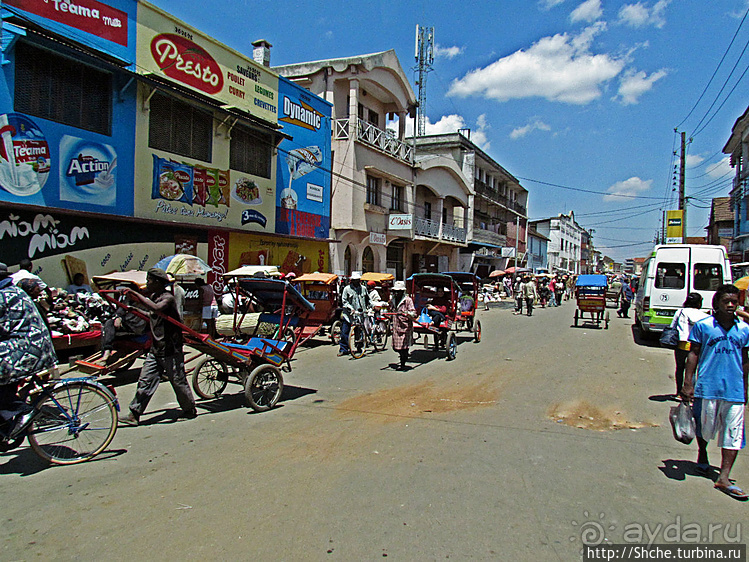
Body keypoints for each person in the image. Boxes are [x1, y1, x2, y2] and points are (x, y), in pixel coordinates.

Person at [682, 284, 749, 500]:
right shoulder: (704, 326)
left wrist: (745, 386)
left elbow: (746, 360)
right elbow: (693, 354)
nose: (730, 305)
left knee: (733, 434)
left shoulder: (745, 330)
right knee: (705, 428)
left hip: (735, 390)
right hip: (707, 387)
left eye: (734, 302)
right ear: (716, 304)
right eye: (726, 301)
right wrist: (688, 383)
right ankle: (703, 452)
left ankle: (724, 476)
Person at [118, 268, 197, 426]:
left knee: (178, 381)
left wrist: (137, 296)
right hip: (156, 348)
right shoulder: (154, 297)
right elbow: (153, 316)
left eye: (150, 280)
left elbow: (156, 309)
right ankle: (134, 413)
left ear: (158, 283)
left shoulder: (168, 298)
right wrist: (136, 310)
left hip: (171, 348)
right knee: (145, 380)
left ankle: (189, 410)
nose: (147, 283)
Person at [0, 262, 57, 439]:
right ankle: (7, 423)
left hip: (28, 348)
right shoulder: (13, 291)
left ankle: (22, 411)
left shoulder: (3, 296)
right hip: (32, 345)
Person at [669, 293, 709, 398]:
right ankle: (692, 394)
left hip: (681, 344)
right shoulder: (704, 315)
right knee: (693, 369)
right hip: (695, 345)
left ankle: (679, 393)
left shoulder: (680, 311)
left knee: (680, 368)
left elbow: (672, 325)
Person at [99, 292, 149, 364]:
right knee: (108, 323)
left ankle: (107, 351)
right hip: (127, 324)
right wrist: (118, 317)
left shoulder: (146, 301)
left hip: (137, 327)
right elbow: (120, 311)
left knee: (109, 325)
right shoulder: (127, 300)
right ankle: (106, 350)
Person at [339, 272, 370, 357]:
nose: (356, 282)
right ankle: (343, 349)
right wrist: (350, 308)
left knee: (359, 331)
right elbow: (344, 301)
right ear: (351, 280)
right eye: (355, 280)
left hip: (360, 314)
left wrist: (370, 307)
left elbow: (367, 299)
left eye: (358, 280)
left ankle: (359, 347)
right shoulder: (346, 289)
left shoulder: (363, 288)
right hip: (349, 314)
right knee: (345, 331)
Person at [388, 281, 416, 371]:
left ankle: (403, 362)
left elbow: (413, 312)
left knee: (404, 347)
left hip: (405, 326)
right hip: (396, 325)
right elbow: (390, 309)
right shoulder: (393, 299)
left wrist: (407, 313)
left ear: (402, 292)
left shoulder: (408, 300)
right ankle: (403, 356)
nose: (397, 293)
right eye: (395, 291)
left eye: (399, 291)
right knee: (396, 347)